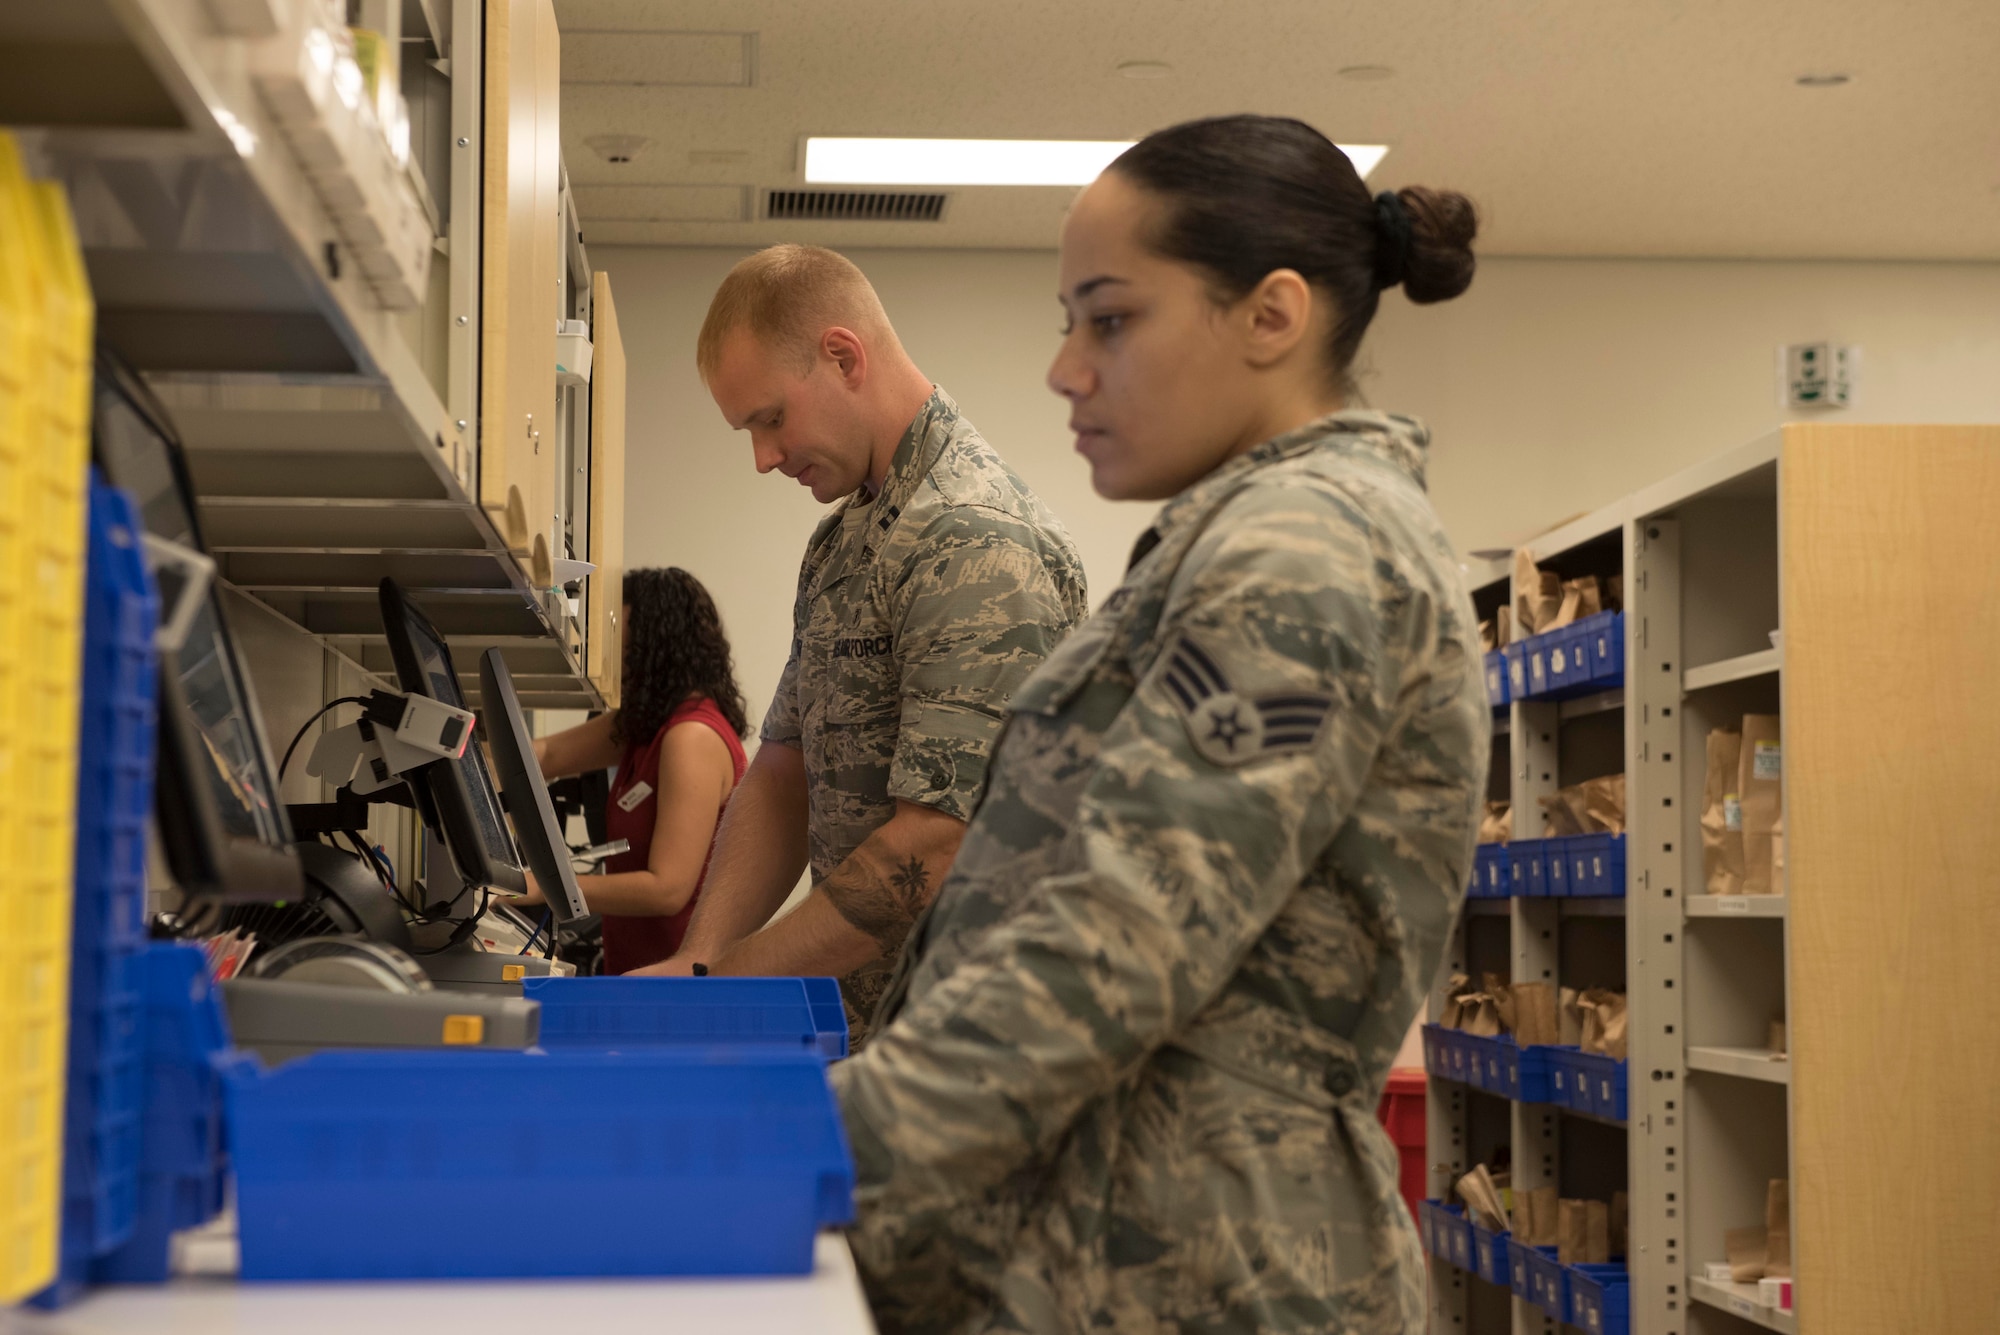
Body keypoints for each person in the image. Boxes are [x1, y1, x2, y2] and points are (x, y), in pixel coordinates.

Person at [831, 115, 1492, 1332]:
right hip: (1136, 1238)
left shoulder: (1306, 548)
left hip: (1202, 1262)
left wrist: (799, 1145)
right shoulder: (1242, 535)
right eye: (1066, 321)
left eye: (1111, 318)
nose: (1065, 368)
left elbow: (1121, 935)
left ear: (1270, 316)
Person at [638, 245, 1088, 1044]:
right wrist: (701, 960)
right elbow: (783, 769)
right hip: (873, 1036)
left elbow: (937, 844)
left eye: (771, 418)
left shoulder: (972, 539)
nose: (763, 457)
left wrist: (732, 983)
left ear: (843, 355)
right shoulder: (842, 541)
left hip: (978, 1052)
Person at [527, 568, 748, 975]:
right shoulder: (645, 724)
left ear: (657, 652)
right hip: (635, 973)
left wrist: (541, 885)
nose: (616, 664)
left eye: (625, 653)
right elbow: (543, 755)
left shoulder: (691, 736)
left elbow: (667, 890)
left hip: (681, 985)